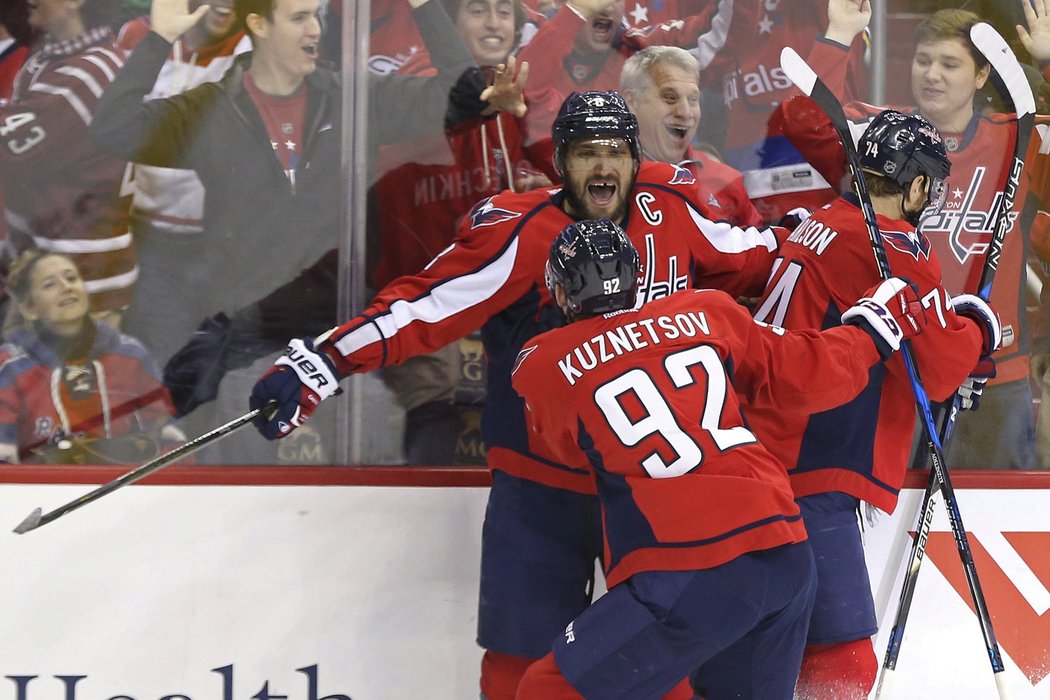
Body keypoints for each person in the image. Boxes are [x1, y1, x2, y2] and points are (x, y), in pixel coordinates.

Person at [247, 90, 791, 699]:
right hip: (544, 480)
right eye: (587, 154)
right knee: (517, 662)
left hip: (652, 487)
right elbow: (426, 305)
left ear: (637, 160)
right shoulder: (526, 232)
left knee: (657, 663)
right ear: (560, 162)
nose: (604, 168)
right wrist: (325, 360)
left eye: (616, 152)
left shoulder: (674, 210)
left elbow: (760, 258)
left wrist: (834, 237)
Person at [511, 218, 928, 699]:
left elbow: (561, 447)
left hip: (690, 567)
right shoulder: (708, 312)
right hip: (786, 553)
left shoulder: (543, 362)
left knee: (547, 689)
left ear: (561, 294)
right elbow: (806, 374)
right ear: (636, 276)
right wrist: (870, 331)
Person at [747, 110, 1000, 698]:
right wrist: (978, 329)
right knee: (844, 661)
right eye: (929, 185)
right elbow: (937, 369)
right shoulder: (890, 248)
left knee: (768, 647)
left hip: (759, 449)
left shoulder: (825, 219)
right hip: (808, 468)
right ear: (914, 186)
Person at [778, 8, 1050, 471]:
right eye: (923, 61)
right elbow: (804, 120)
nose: (932, 75)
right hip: (896, 367)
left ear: (983, 73)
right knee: (891, 526)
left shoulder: (1016, 138)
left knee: (996, 519)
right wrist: (840, 33)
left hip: (997, 376)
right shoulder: (882, 134)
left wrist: (1047, 64)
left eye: (949, 63)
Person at [371, 0, 551, 465]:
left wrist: (531, 192)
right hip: (427, 306)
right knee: (438, 449)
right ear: (450, 25)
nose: (493, 23)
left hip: (501, 310)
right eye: (477, 10)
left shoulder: (523, 94)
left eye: (504, 12)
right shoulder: (417, 87)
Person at [114, 0, 250, 366]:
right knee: (137, 352)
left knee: (191, 360)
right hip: (134, 232)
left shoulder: (253, 49)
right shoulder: (140, 37)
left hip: (212, 244)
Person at [0, 0, 134, 326]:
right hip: (44, 269)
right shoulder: (54, 57)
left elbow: (12, 148)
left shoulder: (91, 74)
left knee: (53, 377)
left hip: (77, 284)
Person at [0, 250, 184, 465]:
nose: (66, 287)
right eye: (50, 284)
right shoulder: (10, 366)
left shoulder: (130, 355)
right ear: (28, 309)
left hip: (127, 491)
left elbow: (170, 439)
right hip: (46, 494)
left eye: (71, 278)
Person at [619, 44, 762, 228]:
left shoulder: (726, 181)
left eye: (693, 100)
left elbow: (758, 252)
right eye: (670, 97)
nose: (685, 112)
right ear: (631, 101)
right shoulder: (606, 177)